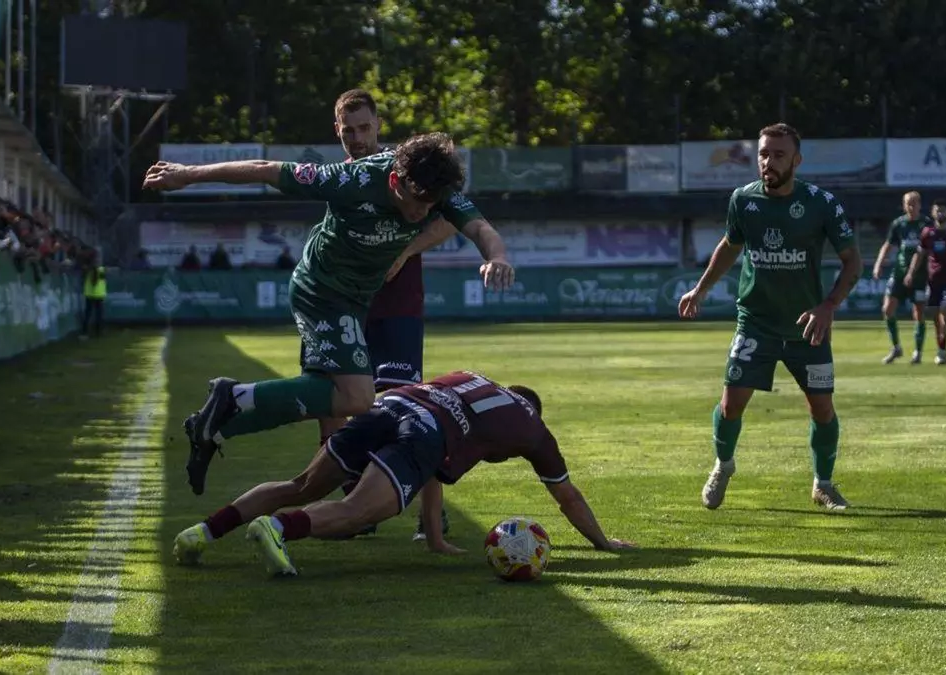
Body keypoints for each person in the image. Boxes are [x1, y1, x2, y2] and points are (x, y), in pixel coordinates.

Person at [143, 132, 514, 497]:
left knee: (324, 396)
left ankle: (214, 427)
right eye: (417, 202)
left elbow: (481, 228)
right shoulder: (352, 179)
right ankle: (235, 395)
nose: (423, 212)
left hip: (356, 299)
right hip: (321, 292)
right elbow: (265, 169)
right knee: (358, 398)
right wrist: (187, 174)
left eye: (431, 204)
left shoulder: (434, 187)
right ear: (394, 181)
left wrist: (496, 257)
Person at [171, 371, 633, 576]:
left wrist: (435, 538)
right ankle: (276, 529)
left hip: (388, 406)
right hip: (427, 430)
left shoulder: (469, 377)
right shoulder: (534, 430)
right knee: (358, 511)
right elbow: (568, 496)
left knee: (301, 485)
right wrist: (603, 542)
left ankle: (202, 533)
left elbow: (432, 474)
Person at [677, 123, 862, 512]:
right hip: (756, 323)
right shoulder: (743, 200)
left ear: (797, 160)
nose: (768, 162)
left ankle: (823, 484)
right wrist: (700, 289)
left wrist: (828, 306)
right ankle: (723, 465)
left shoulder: (821, 203)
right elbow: (730, 245)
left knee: (822, 410)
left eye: (778, 155)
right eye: (763, 154)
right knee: (731, 405)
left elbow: (852, 261)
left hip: (807, 328)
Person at [323, 89, 477, 542]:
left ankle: (432, 518)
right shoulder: (338, 178)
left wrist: (405, 250)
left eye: (364, 127)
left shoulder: (409, 171)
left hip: (397, 308)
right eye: (348, 131)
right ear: (337, 131)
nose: (357, 137)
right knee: (331, 407)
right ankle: (354, 506)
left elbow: (451, 219)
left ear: (378, 125)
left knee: (409, 408)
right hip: (346, 308)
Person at [873, 191, 931, 364]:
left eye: (914, 203)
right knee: (887, 309)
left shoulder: (926, 224)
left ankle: (918, 352)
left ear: (920, 205)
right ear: (904, 205)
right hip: (899, 273)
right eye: (908, 203)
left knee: (918, 312)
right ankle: (896, 347)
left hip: (920, 276)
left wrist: (913, 273)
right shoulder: (898, 224)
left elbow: (923, 251)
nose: (911, 207)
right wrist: (878, 264)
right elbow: (888, 244)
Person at [905, 199, 946, 365]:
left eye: (942, 210)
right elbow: (920, 254)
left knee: (945, 309)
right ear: (932, 212)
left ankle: (943, 351)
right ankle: (941, 349)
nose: (940, 213)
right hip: (933, 280)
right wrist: (910, 273)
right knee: (935, 314)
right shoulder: (927, 232)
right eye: (937, 210)